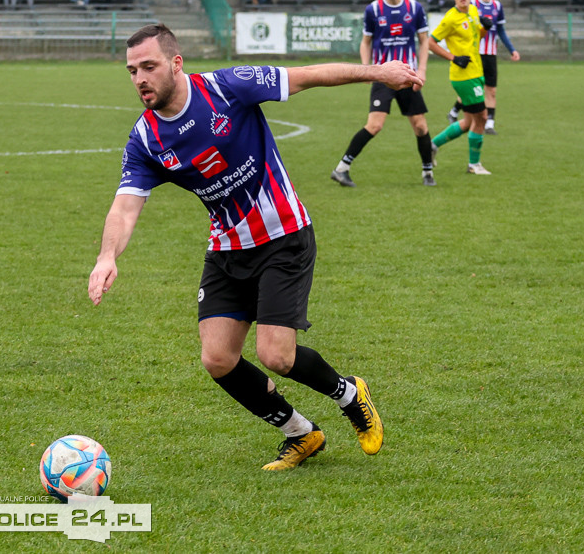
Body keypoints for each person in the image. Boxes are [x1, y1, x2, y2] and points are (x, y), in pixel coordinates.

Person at [88, 24, 413, 469]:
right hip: (227, 248)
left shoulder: (226, 88)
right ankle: (301, 433)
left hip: (284, 236)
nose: (140, 78)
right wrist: (107, 256)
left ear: (176, 63)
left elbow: (310, 75)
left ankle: (350, 394)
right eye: (132, 70)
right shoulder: (145, 139)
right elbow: (125, 208)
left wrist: (380, 72)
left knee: (276, 355)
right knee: (218, 358)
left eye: (149, 66)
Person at [331, 0, 435, 188]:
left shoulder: (414, 8)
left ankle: (427, 172)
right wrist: (366, 68)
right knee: (375, 125)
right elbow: (365, 42)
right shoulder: (373, 10)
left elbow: (425, 41)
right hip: (383, 76)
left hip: (408, 75)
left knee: (420, 126)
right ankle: (341, 169)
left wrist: (423, 69)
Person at [428, 0, 492, 175]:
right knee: (481, 117)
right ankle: (474, 165)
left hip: (476, 71)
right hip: (463, 76)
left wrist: (484, 29)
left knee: (468, 122)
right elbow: (430, 43)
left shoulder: (473, 10)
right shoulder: (450, 18)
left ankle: (431, 146)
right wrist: (453, 57)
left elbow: (474, 38)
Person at [446, 0, 519, 135]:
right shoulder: (471, 5)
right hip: (475, 55)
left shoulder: (497, 6)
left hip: (491, 54)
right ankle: (455, 111)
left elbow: (501, 31)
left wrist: (512, 49)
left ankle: (489, 124)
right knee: (475, 91)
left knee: (491, 91)